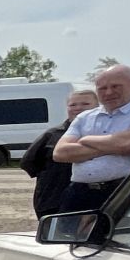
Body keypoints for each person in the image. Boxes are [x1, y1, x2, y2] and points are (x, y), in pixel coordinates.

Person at [52, 63, 130, 211]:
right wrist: (115, 147)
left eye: (116, 86)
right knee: (69, 234)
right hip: (80, 193)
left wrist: (86, 140)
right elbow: (60, 153)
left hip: (126, 191)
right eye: (102, 88)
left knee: (123, 235)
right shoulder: (85, 117)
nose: (108, 92)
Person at [20, 88, 100, 219]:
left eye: (85, 104)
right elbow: (28, 162)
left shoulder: (105, 134)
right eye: (73, 105)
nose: (78, 108)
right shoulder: (52, 134)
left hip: (92, 201)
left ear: (97, 107)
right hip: (53, 201)